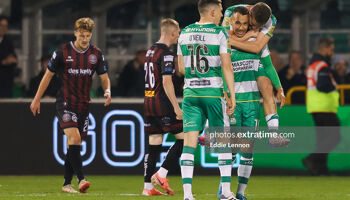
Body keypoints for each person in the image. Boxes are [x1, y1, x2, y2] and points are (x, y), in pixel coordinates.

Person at [30, 18, 111, 193]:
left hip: (83, 104)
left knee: (74, 144)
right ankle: (82, 179)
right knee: (74, 139)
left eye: (88, 36)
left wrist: (108, 91)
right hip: (65, 103)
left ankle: (67, 184)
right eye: (81, 35)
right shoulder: (62, 52)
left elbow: (104, 78)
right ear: (75, 33)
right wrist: (37, 98)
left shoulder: (95, 54)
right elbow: (48, 76)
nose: (84, 39)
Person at [177, 0, 236, 199]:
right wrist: (231, 94)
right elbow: (227, 66)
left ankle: (187, 195)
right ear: (211, 11)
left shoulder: (184, 33)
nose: (221, 15)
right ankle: (227, 192)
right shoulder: (220, 33)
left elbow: (181, 69)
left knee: (189, 143)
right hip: (213, 93)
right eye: (220, 11)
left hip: (191, 94)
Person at [222, 3, 285, 132]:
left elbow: (257, 47)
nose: (255, 28)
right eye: (254, 24)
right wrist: (249, 35)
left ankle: (273, 134)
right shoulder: (231, 12)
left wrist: (279, 88)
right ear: (249, 13)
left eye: (259, 27)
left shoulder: (271, 21)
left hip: (253, 50)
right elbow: (224, 38)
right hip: (233, 53)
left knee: (267, 86)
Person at [142, 18, 184, 197]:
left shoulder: (150, 51)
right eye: (178, 32)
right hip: (163, 104)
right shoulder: (166, 54)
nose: (179, 36)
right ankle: (162, 173)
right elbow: (167, 82)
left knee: (154, 144)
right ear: (172, 33)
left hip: (148, 102)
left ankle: (147, 188)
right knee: (185, 138)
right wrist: (176, 107)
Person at [303, 38, 340, 175]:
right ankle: (312, 159)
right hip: (324, 107)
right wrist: (334, 86)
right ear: (324, 49)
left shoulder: (314, 65)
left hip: (315, 107)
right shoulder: (322, 65)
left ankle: (320, 169)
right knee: (334, 137)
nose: (332, 52)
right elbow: (323, 85)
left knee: (323, 139)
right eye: (331, 49)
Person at [0, 15, 18, 98]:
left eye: (6, 26)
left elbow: (14, 58)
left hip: (6, 82)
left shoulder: (8, 41)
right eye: (2, 26)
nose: (4, 28)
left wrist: (12, 60)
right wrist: (3, 62)